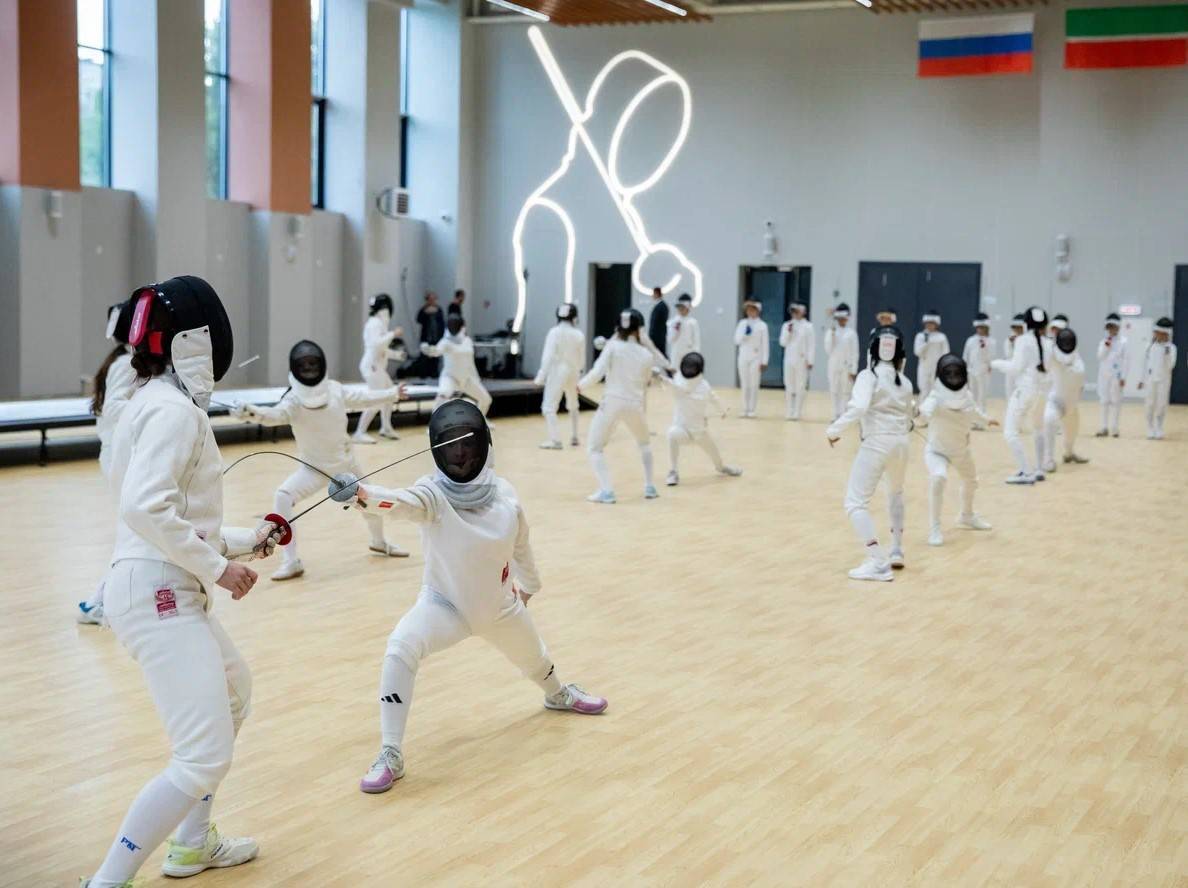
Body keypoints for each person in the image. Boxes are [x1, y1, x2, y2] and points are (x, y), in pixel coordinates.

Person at [82, 276, 282, 888]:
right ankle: (107, 880)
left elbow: (174, 517)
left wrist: (244, 541)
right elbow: (145, 509)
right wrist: (222, 569)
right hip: (159, 593)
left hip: (158, 581)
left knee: (234, 693)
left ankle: (192, 844)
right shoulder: (171, 410)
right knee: (201, 755)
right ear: (196, 340)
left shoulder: (153, 400)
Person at [353, 399, 608, 794]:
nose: (459, 452)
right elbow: (399, 502)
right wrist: (361, 494)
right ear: (437, 449)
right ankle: (390, 752)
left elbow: (521, 545)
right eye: (450, 444)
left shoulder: (505, 495)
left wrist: (530, 587)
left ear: (484, 444)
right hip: (444, 606)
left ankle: (558, 695)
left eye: (467, 442)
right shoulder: (432, 495)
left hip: (501, 607)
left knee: (536, 659)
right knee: (400, 646)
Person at [231, 340, 411, 581]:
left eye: (312, 363)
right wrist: (250, 411)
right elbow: (275, 415)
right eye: (303, 364)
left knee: (371, 502)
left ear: (322, 364)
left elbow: (363, 397)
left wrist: (392, 393)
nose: (308, 368)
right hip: (313, 469)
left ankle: (379, 542)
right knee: (283, 496)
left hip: (346, 467)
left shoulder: (335, 389)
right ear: (295, 368)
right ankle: (291, 561)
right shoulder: (293, 400)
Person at [826, 326, 914, 582]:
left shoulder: (868, 376)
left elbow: (859, 407)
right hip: (901, 444)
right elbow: (909, 417)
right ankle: (896, 549)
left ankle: (877, 561)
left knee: (854, 502)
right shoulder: (905, 381)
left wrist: (834, 430)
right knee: (895, 492)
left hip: (877, 442)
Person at [77, 300, 138, 627]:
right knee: (135, 534)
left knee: (136, 533)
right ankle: (97, 602)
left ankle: (103, 601)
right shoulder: (126, 363)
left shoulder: (121, 360)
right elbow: (115, 407)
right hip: (120, 459)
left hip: (118, 456)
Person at [578, 309, 662, 504]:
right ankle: (650, 487)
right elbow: (647, 381)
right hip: (635, 404)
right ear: (638, 329)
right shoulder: (646, 354)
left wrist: (580, 385)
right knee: (645, 444)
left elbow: (597, 372)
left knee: (595, 447)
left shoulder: (613, 346)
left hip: (612, 402)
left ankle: (607, 491)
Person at [916, 354, 995, 547]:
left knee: (971, 481)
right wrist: (916, 413)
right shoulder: (935, 397)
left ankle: (966, 516)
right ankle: (935, 528)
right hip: (937, 451)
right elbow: (923, 415)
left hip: (960, 451)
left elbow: (974, 412)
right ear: (941, 375)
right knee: (938, 478)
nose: (953, 377)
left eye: (956, 373)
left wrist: (987, 420)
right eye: (949, 373)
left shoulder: (966, 396)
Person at [655, 351, 742, 486]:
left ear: (699, 369)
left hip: (699, 432)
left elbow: (713, 398)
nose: (689, 370)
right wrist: (662, 378)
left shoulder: (704, 385)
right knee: (672, 434)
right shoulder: (678, 381)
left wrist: (722, 410)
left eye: (692, 368)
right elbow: (676, 387)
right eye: (687, 367)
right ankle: (673, 472)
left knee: (715, 455)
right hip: (682, 431)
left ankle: (721, 467)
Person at [991, 306, 1052, 484]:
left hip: (1025, 391)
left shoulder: (1023, 341)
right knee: (1038, 429)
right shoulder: (1049, 343)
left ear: (1026, 324)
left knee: (1010, 432)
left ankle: (1026, 472)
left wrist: (994, 363)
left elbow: (1015, 368)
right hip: (1042, 393)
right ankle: (1039, 469)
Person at [354, 293, 404, 444]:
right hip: (372, 367)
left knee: (390, 394)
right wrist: (393, 334)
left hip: (376, 367)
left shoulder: (378, 323)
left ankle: (386, 427)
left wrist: (396, 355)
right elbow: (376, 344)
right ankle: (359, 432)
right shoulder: (375, 324)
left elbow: (380, 349)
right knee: (377, 399)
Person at [534, 303, 585, 449]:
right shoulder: (579, 334)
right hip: (573, 371)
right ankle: (574, 436)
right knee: (573, 404)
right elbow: (581, 360)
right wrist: (579, 371)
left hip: (557, 371)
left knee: (549, 407)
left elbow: (548, 356)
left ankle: (555, 440)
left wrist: (541, 376)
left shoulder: (554, 332)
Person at [422, 316, 492, 415]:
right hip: (450, 377)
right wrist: (428, 349)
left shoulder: (467, 341)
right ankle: (434, 423)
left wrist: (475, 377)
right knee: (443, 395)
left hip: (467, 378)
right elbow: (436, 351)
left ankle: (479, 420)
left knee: (486, 399)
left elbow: (470, 362)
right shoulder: (445, 342)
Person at [1042, 326, 1090, 469]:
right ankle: (1048, 459)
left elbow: (1079, 377)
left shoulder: (1076, 357)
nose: (1067, 343)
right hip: (1057, 402)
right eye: (1064, 340)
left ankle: (1069, 454)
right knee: (1049, 420)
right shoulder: (1053, 355)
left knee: (1072, 433)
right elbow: (1045, 362)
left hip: (1072, 405)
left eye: (1069, 340)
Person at [1138, 317, 1176, 440]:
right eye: (1156, 332)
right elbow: (1144, 364)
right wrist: (1141, 380)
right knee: (1149, 404)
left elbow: (1170, 365)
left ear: (1166, 334)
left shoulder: (1171, 348)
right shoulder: (1149, 347)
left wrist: (1166, 353)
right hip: (1151, 380)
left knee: (1161, 405)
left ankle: (1159, 427)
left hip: (1164, 381)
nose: (1158, 335)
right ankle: (1150, 427)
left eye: (1161, 333)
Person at [823, 303, 859, 422]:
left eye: (844, 318)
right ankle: (835, 414)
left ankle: (844, 414)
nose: (842, 320)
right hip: (833, 364)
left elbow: (855, 352)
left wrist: (853, 370)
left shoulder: (851, 333)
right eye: (840, 318)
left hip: (846, 366)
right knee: (834, 390)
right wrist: (832, 334)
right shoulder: (831, 331)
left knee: (845, 391)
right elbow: (828, 349)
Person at [779, 302, 815, 421]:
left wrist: (810, 360)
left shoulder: (808, 326)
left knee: (800, 386)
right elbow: (782, 342)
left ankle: (797, 412)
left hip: (802, 360)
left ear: (803, 312)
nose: (795, 313)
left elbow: (811, 345)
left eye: (797, 311)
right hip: (789, 359)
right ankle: (790, 410)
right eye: (793, 311)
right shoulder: (786, 325)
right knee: (789, 385)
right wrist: (788, 332)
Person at [734, 300, 769, 418]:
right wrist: (745, 334)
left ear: (758, 311)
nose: (750, 311)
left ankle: (752, 409)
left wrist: (764, 361)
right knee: (745, 384)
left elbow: (765, 344)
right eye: (748, 309)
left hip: (756, 357)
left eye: (753, 309)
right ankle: (745, 408)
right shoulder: (742, 323)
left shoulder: (762, 325)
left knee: (754, 384)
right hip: (743, 357)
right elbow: (736, 340)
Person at [1096, 312, 1128, 437]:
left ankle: (1114, 428)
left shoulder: (1124, 342)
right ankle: (1103, 427)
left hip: (1117, 376)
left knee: (1116, 401)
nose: (1111, 330)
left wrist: (1123, 377)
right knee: (1104, 400)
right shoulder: (1104, 341)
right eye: (1109, 327)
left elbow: (1126, 361)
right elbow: (1100, 357)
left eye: (1113, 327)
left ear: (1118, 327)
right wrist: (1106, 346)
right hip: (1104, 375)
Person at [961, 312, 995, 426]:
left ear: (987, 327)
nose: (980, 330)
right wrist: (964, 369)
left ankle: (981, 422)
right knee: (972, 397)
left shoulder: (991, 341)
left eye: (982, 327)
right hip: (971, 372)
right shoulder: (970, 340)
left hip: (984, 372)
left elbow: (991, 357)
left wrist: (984, 347)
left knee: (982, 397)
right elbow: (965, 355)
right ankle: (973, 420)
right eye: (978, 327)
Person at [913, 309, 949, 396]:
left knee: (936, 390)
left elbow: (946, 353)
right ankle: (923, 404)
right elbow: (917, 352)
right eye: (927, 323)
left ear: (936, 324)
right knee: (924, 389)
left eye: (932, 323)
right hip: (924, 366)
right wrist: (926, 343)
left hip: (937, 367)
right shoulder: (920, 336)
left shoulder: (942, 337)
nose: (929, 325)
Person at [666, 293, 700, 371]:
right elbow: (670, 340)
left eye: (683, 307)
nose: (680, 310)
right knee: (676, 375)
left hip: (688, 354)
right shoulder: (673, 322)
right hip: (676, 355)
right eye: (679, 307)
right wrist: (676, 328)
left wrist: (695, 357)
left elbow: (696, 342)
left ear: (688, 308)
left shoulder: (693, 323)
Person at [416, 291, 446, 377]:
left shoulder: (439, 309)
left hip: (436, 336)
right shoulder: (423, 309)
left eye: (434, 299)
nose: (432, 301)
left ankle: (434, 373)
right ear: (427, 300)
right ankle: (423, 373)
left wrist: (442, 335)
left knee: (435, 355)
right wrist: (425, 312)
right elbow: (418, 320)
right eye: (430, 299)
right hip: (426, 336)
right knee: (424, 356)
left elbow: (442, 323)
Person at [1002, 313, 1026, 399]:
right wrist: (1011, 343)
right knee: (1010, 392)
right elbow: (1008, 354)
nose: (1017, 329)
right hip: (1011, 369)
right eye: (1015, 327)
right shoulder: (1009, 339)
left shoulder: (1028, 339)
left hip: (1024, 371)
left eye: (1020, 327)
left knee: (1023, 393)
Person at [648, 286, 669, 360]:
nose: (652, 296)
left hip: (658, 337)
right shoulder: (661, 306)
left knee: (660, 354)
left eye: (653, 294)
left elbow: (656, 323)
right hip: (658, 336)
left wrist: (651, 335)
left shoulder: (661, 306)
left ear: (656, 294)